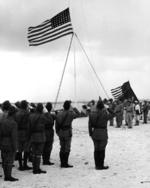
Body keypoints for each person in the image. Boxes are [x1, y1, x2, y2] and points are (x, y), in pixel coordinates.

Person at [88, 100, 114, 170]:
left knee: (96, 149)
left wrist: (90, 133)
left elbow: (89, 125)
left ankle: (97, 165)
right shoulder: (104, 113)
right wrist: (108, 108)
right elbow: (113, 114)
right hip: (102, 132)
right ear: (103, 107)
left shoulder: (92, 114)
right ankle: (101, 165)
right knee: (102, 149)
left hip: (95, 133)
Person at [55, 100, 77, 168]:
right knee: (67, 148)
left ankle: (62, 163)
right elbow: (77, 114)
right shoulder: (71, 113)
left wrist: (57, 132)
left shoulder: (59, 113)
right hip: (67, 131)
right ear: (69, 106)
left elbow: (56, 124)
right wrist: (72, 108)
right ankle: (65, 163)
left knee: (62, 147)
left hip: (61, 131)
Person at [0, 106, 18, 181]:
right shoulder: (13, 123)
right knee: (10, 160)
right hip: (10, 143)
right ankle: (8, 176)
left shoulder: (2, 121)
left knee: (4, 160)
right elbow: (14, 137)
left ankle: (6, 175)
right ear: (14, 114)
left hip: (3, 142)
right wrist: (15, 147)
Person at [29, 103, 46, 174]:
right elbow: (48, 121)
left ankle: (34, 167)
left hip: (33, 136)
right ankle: (37, 169)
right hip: (40, 136)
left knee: (34, 152)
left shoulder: (31, 116)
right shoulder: (42, 116)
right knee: (38, 154)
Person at [15, 100, 32, 170]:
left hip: (18, 132)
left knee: (19, 150)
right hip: (25, 132)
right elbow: (29, 124)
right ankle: (25, 164)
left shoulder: (17, 113)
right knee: (26, 149)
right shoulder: (27, 113)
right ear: (26, 105)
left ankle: (20, 165)